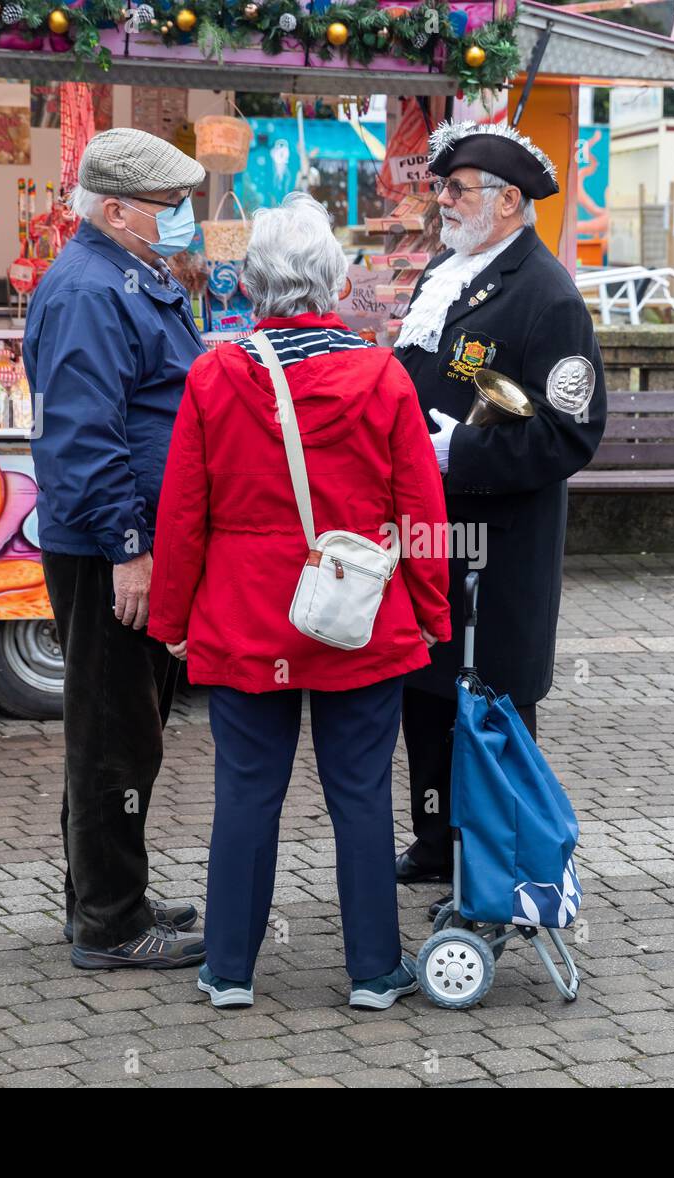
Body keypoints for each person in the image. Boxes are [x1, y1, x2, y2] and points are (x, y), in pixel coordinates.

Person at [148, 192, 452, 1010]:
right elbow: (421, 508)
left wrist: (173, 621)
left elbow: (183, 511)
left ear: (251, 283)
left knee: (246, 794)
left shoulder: (215, 374)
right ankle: (373, 971)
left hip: (247, 616)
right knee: (361, 796)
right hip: (357, 612)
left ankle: (230, 970)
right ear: (331, 280)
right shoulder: (378, 373)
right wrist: (431, 611)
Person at [392, 120, 608, 887]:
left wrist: (463, 452)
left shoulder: (548, 297)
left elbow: (571, 434)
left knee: (490, 706)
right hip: (426, 534)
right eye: (442, 187)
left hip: (498, 544)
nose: (442, 200)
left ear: (509, 201)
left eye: (458, 189)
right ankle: (433, 842)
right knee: (424, 690)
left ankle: (494, 860)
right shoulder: (443, 273)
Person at [24, 128, 207, 969]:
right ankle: (110, 922)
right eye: (172, 208)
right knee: (113, 733)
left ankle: (106, 894)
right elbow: (84, 440)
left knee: (128, 725)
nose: (184, 219)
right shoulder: (92, 291)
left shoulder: (127, 275)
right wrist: (130, 547)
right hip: (111, 543)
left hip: (131, 536)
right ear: (117, 209)